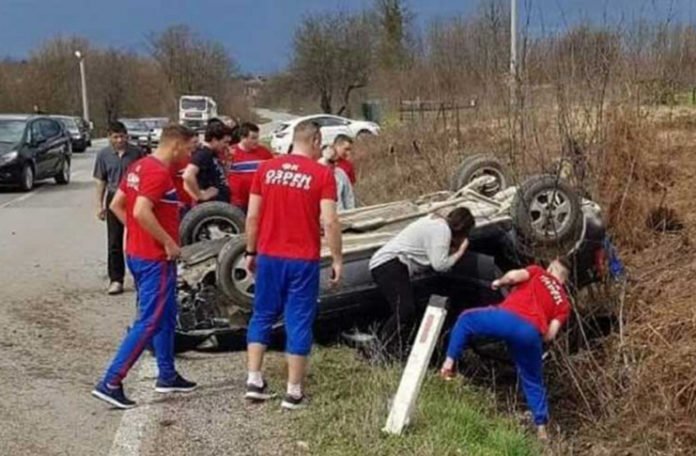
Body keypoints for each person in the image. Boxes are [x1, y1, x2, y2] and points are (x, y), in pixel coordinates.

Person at [91, 124, 198, 410]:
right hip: (154, 259)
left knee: (165, 314)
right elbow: (139, 210)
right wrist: (167, 242)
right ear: (176, 145)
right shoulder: (157, 172)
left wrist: (139, 232)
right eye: (189, 148)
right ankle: (111, 381)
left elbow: (117, 204)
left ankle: (167, 374)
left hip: (138, 253)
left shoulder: (138, 166)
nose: (190, 155)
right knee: (149, 320)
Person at [244, 120, 342, 410]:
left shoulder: (265, 168)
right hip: (302, 259)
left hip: (269, 255)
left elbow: (251, 217)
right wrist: (337, 257)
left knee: (261, 314)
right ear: (315, 141)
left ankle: (253, 380)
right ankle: (294, 391)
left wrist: (250, 251)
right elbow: (330, 221)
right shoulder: (322, 174)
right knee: (298, 319)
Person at [440, 258, 572, 441]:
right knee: (533, 379)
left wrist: (499, 282)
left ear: (550, 268)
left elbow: (512, 277)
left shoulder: (537, 272)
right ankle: (541, 428)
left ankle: (448, 364)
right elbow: (550, 335)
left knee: (466, 320)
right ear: (564, 280)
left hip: (508, 317)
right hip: (531, 333)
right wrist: (530, 334)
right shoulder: (564, 304)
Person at [368, 208, 475, 357]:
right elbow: (440, 265)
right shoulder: (442, 230)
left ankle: (397, 348)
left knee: (411, 309)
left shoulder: (435, 223)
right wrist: (460, 252)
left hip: (387, 263)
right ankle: (380, 350)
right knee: (405, 310)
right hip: (390, 263)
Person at [93, 121, 144, 295]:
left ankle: (140, 277)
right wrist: (99, 205)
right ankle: (116, 279)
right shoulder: (104, 155)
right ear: (109, 137)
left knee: (137, 239)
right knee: (114, 241)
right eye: (115, 137)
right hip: (114, 197)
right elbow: (101, 181)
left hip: (134, 197)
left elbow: (146, 176)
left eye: (122, 136)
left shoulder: (137, 153)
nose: (120, 140)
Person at [182, 122, 232, 204]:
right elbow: (187, 176)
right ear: (214, 140)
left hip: (221, 205)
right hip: (211, 208)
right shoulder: (203, 154)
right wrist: (200, 196)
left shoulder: (213, 154)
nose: (227, 145)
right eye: (225, 142)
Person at [228, 122, 274, 211]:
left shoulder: (265, 153)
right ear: (242, 138)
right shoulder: (230, 153)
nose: (256, 141)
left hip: (259, 200)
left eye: (257, 137)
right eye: (253, 138)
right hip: (238, 203)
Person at [319, 145, 356, 212]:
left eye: (336, 161)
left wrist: (351, 212)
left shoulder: (340, 173)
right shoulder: (316, 172)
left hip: (341, 213)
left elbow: (348, 196)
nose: (335, 164)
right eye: (331, 162)